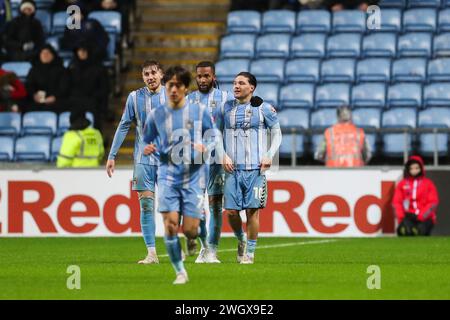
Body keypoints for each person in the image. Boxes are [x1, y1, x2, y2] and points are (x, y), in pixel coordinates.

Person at [143, 65, 216, 284]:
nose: (173, 89)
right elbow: (147, 139)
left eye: (178, 85)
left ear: (185, 88)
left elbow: (213, 136)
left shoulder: (199, 112)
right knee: (171, 224)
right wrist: (148, 148)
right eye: (170, 85)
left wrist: (205, 146)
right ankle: (180, 272)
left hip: (193, 175)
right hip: (167, 175)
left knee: (191, 229)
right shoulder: (156, 115)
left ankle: (193, 238)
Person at [215, 72, 282, 264]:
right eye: (234, 83)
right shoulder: (225, 108)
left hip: (255, 170)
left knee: (252, 211)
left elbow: (277, 134)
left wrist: (269, 155)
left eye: (241, 83)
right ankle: (241, 239)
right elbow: (216, 133)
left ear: (251, 87)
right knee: (231, 212)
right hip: (231, 170)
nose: (236, 86)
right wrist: (222, 155)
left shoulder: (264, 109)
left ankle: (250, 254)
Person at [106, 60, 166, 265]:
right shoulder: (134, 97)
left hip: (170, 161)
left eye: (153, 73)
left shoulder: (173, 95)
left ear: (161, 75)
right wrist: (112, 155)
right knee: (147, 205)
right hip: (143, 160)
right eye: (146, 74)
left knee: (174, 206)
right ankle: (151, 253)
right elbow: (124, 126)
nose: (150, 77)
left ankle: (187, 244)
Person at [186, 61, 231, 264]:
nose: (202, 80)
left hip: (216, 161)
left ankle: (212, 250)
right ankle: (204, 247)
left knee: (214, 206)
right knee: (196, 207)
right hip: (194, 161)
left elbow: (244, 110)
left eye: (206, 76)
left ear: (213, 76)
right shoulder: (189, 99)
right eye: (199, 76)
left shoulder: (225, 98)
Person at [392, 155, 439, 236]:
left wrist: (422, 215)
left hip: (425, 218)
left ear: (421, 169)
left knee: (419, 231)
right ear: (408, 169)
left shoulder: (428, 184)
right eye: (411, 168)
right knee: (404, 230)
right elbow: (396, 202)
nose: (414, 170)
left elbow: (433, 202)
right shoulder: (402, 184)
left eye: (416, 168)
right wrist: (401, 218)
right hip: (408, 216)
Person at [66, 43, 109, 129]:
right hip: (75, 100)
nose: (82, 53)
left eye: (84, 50)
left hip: (93, 100)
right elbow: (67, 86)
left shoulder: (99, 68)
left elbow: (105, 88)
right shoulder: (72, 67)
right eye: (79, 51)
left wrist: (93, 96)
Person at [25, 44, 69, 113]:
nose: (45, 55)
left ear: (53, 55)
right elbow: (29, 85)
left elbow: (64, 88)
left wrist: (54, 97)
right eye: (43, 53)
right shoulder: (34, 70)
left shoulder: (61, 70)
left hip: (56, 101)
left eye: (48, 53)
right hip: (37, 101)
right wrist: (34, 95)